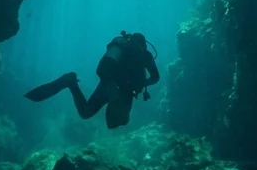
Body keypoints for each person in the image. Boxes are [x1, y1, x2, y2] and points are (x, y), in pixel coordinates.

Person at [24, 31, 160, 129]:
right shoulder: (145, 56)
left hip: (108, 85)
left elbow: (102, 68)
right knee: (115, 121)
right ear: (144, 44)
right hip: (118, 90)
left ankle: (70, 82)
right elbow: (155, 77)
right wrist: (142, 83)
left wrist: (113, 84)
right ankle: (70, 83)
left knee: (87, 113)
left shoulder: (122, 48)